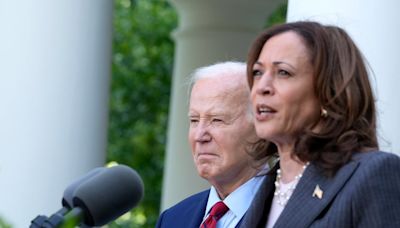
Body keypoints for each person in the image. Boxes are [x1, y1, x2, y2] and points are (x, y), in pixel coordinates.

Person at [238, 21, 400, 228]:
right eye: (257, 72)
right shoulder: (263, 189)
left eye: (283, 72)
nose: (262, 87)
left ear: (328, 91)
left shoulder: (372, 173)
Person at [156, 61, 268, 228]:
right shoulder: (173, 219)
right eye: (194, 120)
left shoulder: (292, 215)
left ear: (261, 127)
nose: (200, 135)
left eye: (217, 120)